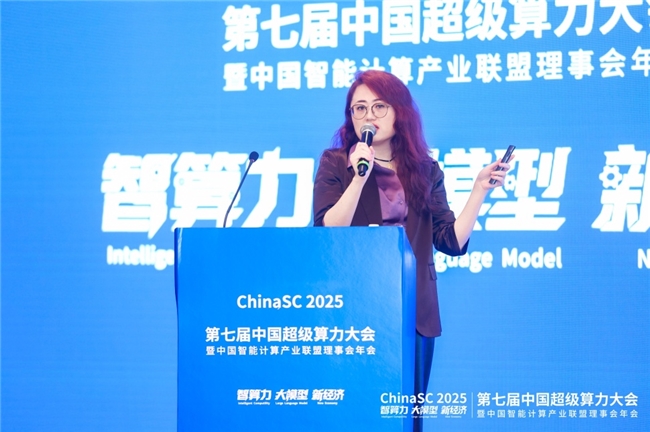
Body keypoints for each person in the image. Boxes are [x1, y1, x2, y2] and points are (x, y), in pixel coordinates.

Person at [312, 70, 512, 432]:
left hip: (414, 308)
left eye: (379, 106)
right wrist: (359, 177)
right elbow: (328, 231)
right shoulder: (336, 163)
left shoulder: (425, 170)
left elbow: (450, 241)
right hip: (355, 308)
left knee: (408, 415)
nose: (368, 116)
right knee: (356, 414)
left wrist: (479, 191)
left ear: (399, 112)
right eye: (359, 108)